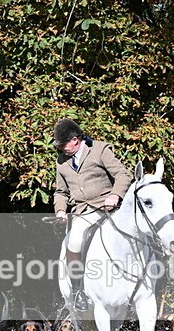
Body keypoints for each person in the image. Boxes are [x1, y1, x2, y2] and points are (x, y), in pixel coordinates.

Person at [52, 118, 132, 311]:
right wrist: (61, 210)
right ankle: (78, 290)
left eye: (63, 144)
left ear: (75, 140)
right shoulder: (61, 162)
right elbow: (60, 192)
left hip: (108, 208)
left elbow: (123, 175)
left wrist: (115, 195)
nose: (61, 149)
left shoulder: (100, 150)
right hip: (84, 212)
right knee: (74, 241)